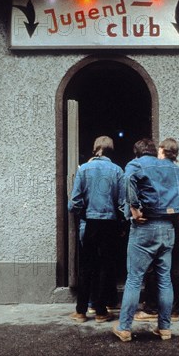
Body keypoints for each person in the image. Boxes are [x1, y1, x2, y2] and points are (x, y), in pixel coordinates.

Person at [112, 138, 179, 342]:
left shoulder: (137, 164)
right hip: (168, 227)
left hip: (144, 226)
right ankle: (164, 328)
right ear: (155, 150)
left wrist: (133, 207)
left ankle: (124, 328)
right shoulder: (172, 168)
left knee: (134, 279)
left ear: (137, 152)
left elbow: (128, 179)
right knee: (164, 279)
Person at [134, 138, 179, 323]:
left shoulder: (158, 168)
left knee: (155, 263)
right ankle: (175, 311)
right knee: (176, 266)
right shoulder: (178, 170)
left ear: (162, 150)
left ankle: (152, 308)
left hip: (159, 218)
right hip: (176, 220)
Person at [68, 136, 124, 323]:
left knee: (86, 267)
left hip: (90, 222)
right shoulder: (117, 170)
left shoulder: (84, 169)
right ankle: (101, 312)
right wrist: (121, 222)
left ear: (95, 149)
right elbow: (123, 203)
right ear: (111, 149)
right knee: (105, 266)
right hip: (109, 223)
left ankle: (81, 311)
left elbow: (74, 202)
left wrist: (81, 213)